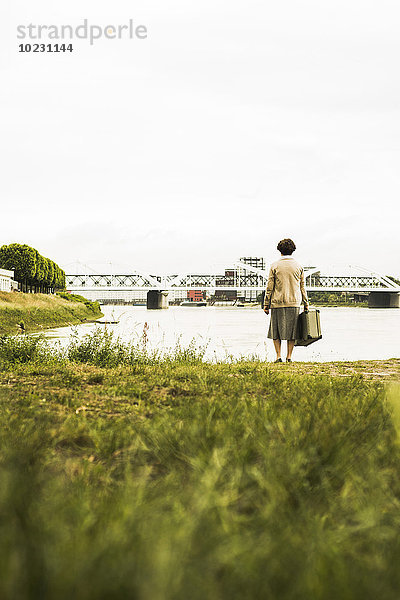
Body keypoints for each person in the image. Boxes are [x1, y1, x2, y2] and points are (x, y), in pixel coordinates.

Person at [263, 238, 309, 363]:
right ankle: (289, 357)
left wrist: (266, 304)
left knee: (276, 331)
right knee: (292, 332)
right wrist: (306, 304)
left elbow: (270, 287)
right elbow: (302, 287)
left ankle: (278, 356)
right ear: (293, 250)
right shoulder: (298, 266)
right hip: (294, 302)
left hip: (277, 302)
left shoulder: (275, 265)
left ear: (279, 250)